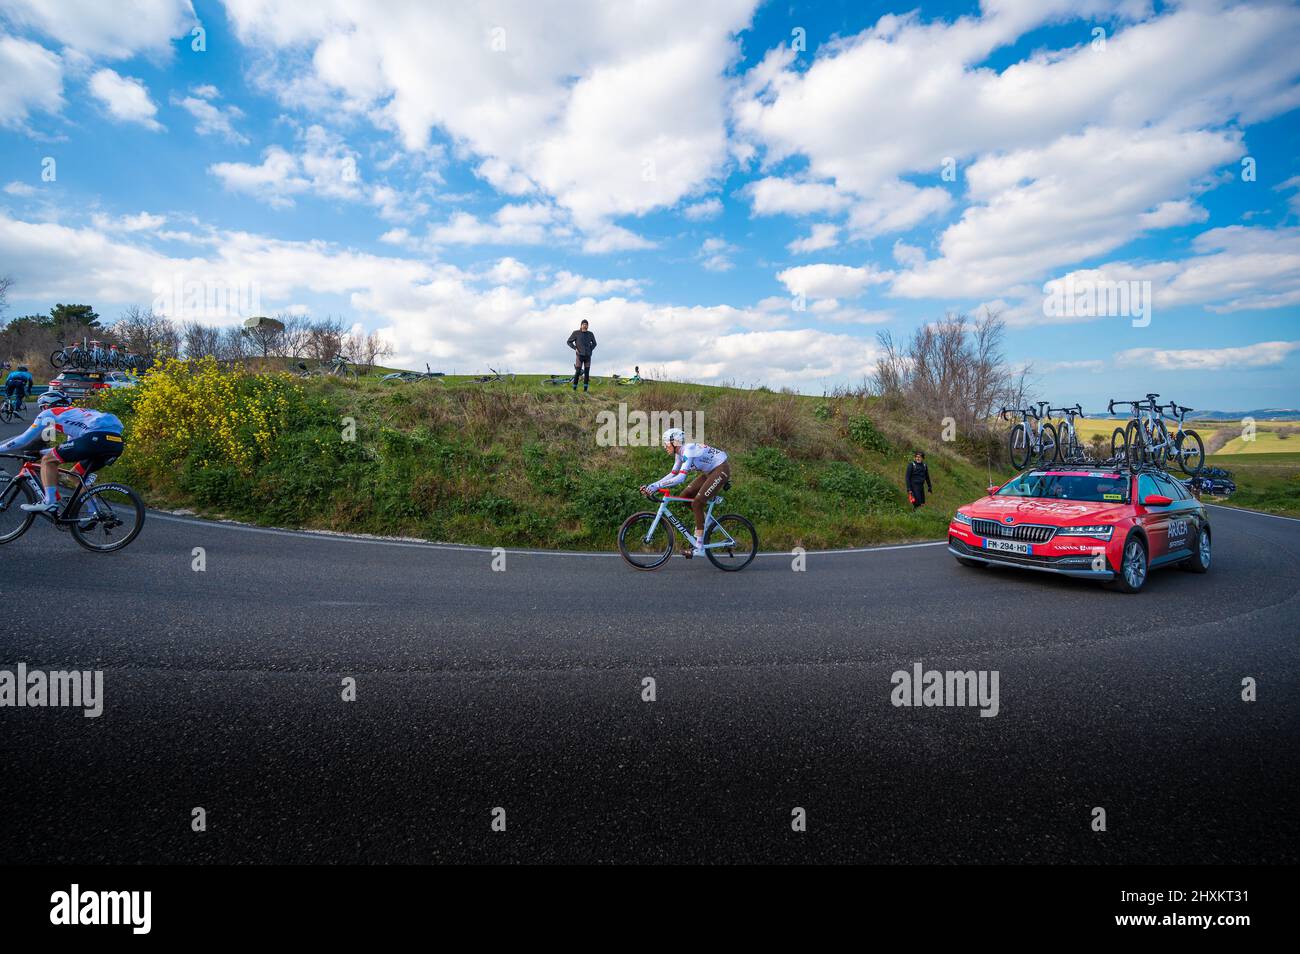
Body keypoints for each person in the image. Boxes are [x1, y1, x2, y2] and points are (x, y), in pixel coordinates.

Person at [0, 389, 125, 515]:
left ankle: (49, 501)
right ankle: (95, 513)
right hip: (115, 443)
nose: (42, 411)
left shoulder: (48, 413)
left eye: (42, 407)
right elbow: (71, 446)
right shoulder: (77, 414)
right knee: (74, 475)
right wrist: (40, 452)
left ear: (46, 405)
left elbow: (23, 440)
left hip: (94, 439)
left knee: (48, 461)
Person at [641, 428, 730, 557]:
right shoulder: (679, 454)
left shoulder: (688, 450)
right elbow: (673, 473)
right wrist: (652, 486)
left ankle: (699, 547)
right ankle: (709, 523)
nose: (664, 446)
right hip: (710, 472)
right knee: (685, 496)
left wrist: (656, 487)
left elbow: (681, 478)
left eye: (666, 443)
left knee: (697, 503)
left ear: (674, 442)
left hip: (721, 469)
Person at [566, 319, 596, 392]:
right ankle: (574, 389)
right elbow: (569, 342)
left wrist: (590, 349)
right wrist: (575, 348)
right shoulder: (576, 333)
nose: (585, 325)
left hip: (588, 356)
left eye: (586, 324)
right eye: (583, 324)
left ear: (588, 326)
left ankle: (585, 391)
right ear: (581, 325)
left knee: (587, 372)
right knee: (578, 372)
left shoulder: (590, 334)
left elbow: (594, 343)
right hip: (579, 356)